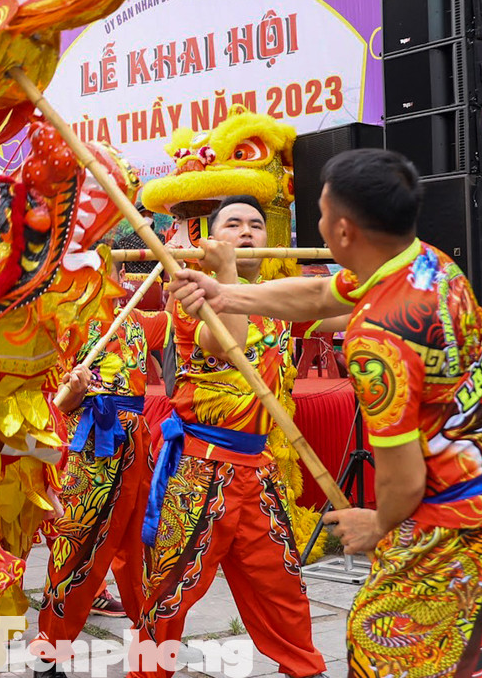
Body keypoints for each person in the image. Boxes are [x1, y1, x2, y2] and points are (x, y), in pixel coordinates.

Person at [170, 150, 482, 677]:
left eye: (323, 213)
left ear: (344, 230)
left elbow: (402, 478)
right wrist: (226, 293)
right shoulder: (428, 264)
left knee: (383, 654)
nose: (319, 224)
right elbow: (317, 293)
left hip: (458, 523)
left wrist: (376, 523)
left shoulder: (378, 336)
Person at [130, 196, 347, 678]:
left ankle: (306, 669)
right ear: (210, 239)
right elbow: (227, 345)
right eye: (233, 225)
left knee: (284, 588)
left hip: (258, 473)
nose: (247, 231)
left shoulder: (274, 301)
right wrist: (224, 271)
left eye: (255, 224)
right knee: (169, 595)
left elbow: (342, 309)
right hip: (199, 472)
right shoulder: (190, 297)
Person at [32, 264, 169, 672]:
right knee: (74, 545)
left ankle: (149, 644)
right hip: (89, 448)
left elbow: (180, 313)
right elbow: (54, 402)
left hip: (136, 444)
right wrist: (72, 392)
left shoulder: (137, 320)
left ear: (121, 271)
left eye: (105, 265)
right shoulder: (62, 325)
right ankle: (50, 646)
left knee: (140, 546)